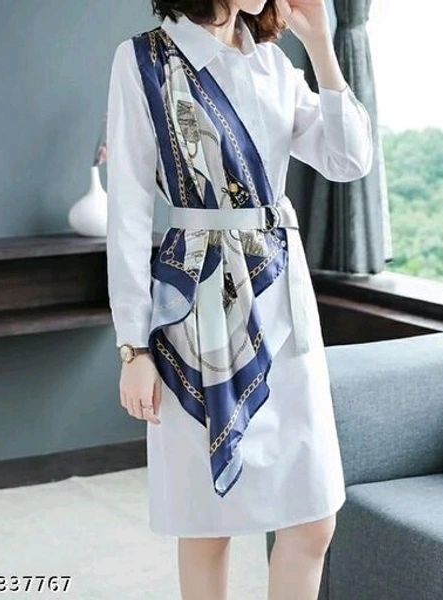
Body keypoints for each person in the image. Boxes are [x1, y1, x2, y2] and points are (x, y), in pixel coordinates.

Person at [105, 0, 373, 598]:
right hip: (197, 310)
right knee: (207, 525)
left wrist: (321, 46)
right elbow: (127, 211)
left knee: (313, 521)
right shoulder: (145, 61)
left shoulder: (274, 64)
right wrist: (133, 348)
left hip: (283, 304)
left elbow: (349, 159)